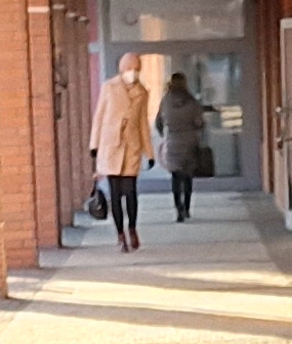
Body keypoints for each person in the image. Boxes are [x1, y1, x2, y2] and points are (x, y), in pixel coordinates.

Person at [87, 54, 154, 249]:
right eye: (129, 69)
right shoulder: (109, 87)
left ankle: (132, 228)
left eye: (135, 69)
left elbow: (143, 124)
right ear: (122, 69)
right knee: (115, 193)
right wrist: (94, 145)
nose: (132, 73)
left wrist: (149, 153)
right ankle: (120, 234)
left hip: (131, 147)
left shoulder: (142, 93)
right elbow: (99, 117)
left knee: (130, 191)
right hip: (110, 146)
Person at [156, 69, 214, 222]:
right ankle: (187, 207)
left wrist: (164, 134)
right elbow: (199, 122)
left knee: (176, 177)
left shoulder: (166, 100)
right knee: (188, 177)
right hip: (189, 141)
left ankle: (178, 209)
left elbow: (158, 122)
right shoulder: (191, 101)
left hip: (173, 142)